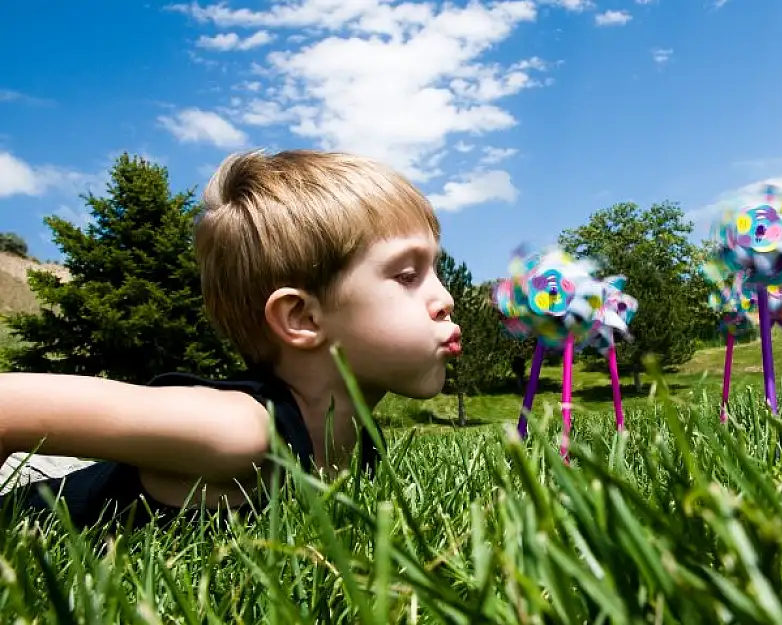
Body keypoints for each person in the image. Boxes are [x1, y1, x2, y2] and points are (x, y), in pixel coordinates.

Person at [0, 149, 462, 529]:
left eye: (436, 270)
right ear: (301, 316)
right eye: (406, 274)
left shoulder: (359, 441)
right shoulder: (236, 431)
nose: (445, 298)